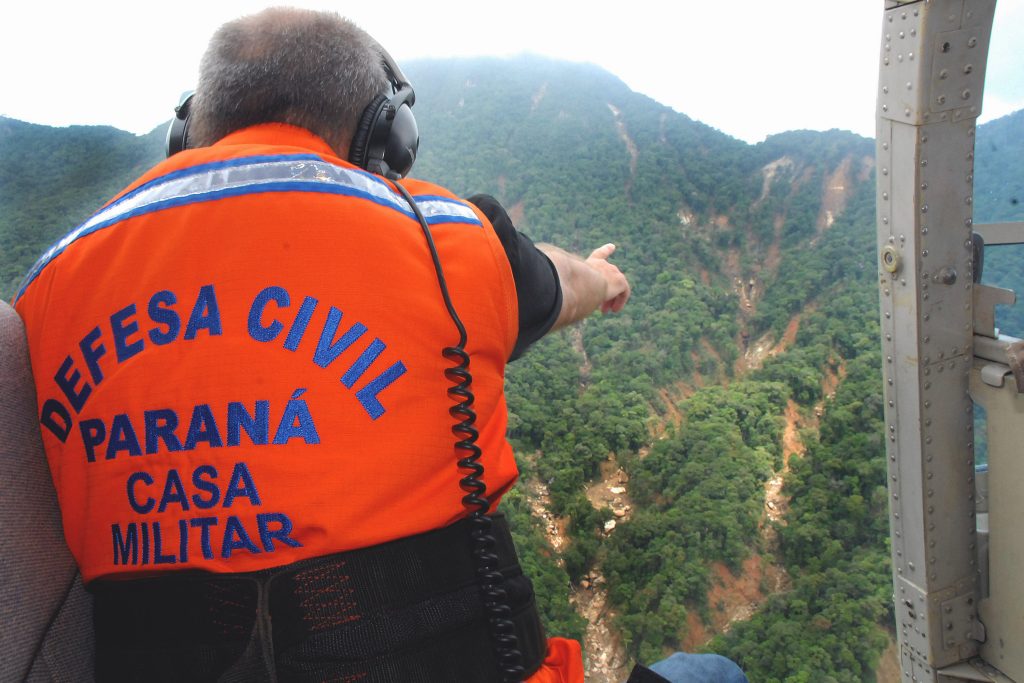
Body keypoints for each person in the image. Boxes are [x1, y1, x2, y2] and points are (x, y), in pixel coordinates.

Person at [13, 7, 630, 682]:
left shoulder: (44, 289)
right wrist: (602, 278)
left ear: (186, 132)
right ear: (385, 136)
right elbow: (559, 283)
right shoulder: (452, 239)